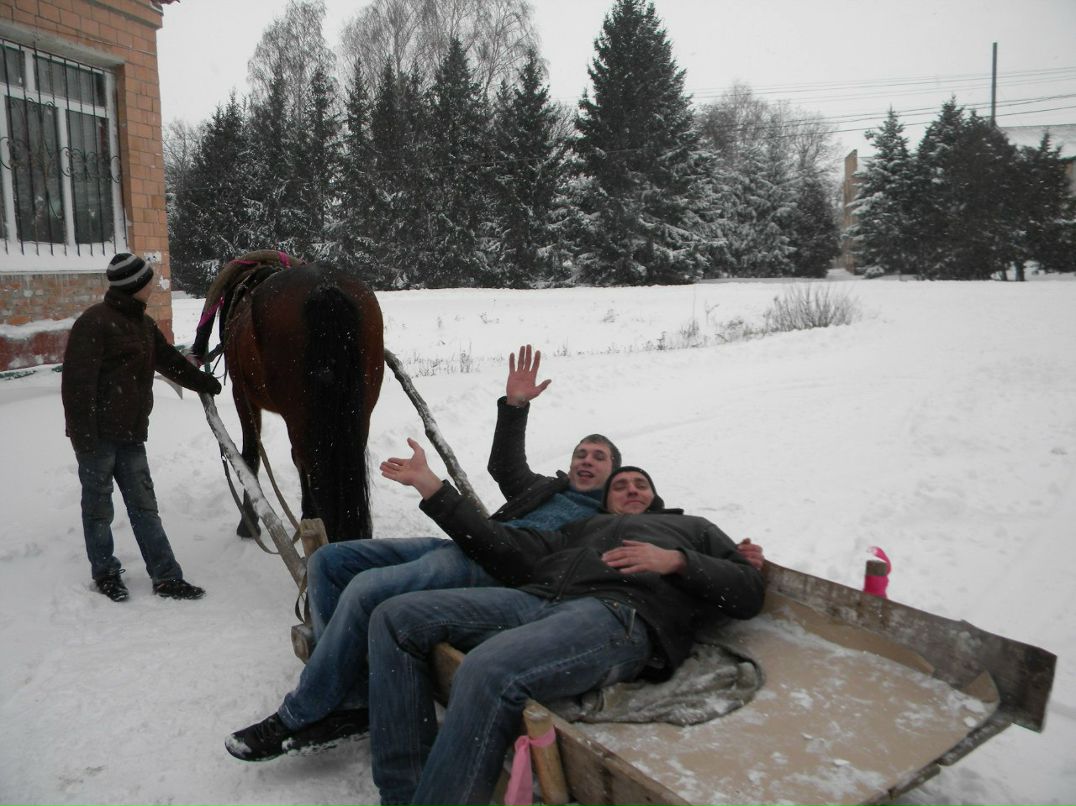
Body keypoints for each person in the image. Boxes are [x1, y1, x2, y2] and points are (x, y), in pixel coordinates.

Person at [225, 345, 626, 761]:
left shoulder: (601, 522)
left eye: (599, 457)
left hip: (493, 572)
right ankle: (353, 697)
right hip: (465, 548)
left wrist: (435, 489)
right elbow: (506, 468)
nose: (586, 460)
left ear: (614, 472)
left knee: (366, 589)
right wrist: (514, 406)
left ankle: (300, 712)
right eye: (581, 452)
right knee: (330, 560)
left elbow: (524, 558)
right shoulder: (548, 489)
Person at [370, 444, 766, 806]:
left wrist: (677, 561)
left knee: (489, 668)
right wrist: (432, 487)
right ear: (606, 501)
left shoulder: (692, 529)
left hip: (615, 615)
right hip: (538, 599)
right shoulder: (579, 529)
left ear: (654, 497)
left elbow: (748, 591)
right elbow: (502, 545)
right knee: (395, 617)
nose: (631, 488)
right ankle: (404, 789)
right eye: (621, 484)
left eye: (640, 484)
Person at [62, 253, 223, 602]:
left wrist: (203, 383)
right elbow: (77, 386)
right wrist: (84, 440)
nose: (154, 284)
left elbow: (170, 362)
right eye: (149, 279)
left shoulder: (143, 324)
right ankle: (104, 572)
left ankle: (166, 577)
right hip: (98, 439)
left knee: (144, 507)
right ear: (136, 285)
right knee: (98, 509)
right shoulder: (95, 323)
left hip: (131, 436)